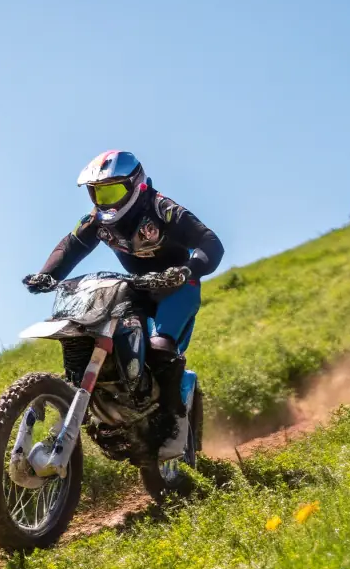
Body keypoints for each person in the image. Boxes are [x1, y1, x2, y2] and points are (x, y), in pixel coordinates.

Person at [22, 150, 224, 433]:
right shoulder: (97, 220)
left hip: (177, 287)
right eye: (98, 193)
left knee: (160, 348)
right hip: (137, 287)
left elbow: (210, 243)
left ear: (135, 184)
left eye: (112, 191)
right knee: (93, 334)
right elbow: (71, 246)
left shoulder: (161, 208)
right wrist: (47, 274)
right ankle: (93, 403)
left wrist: (187, 270)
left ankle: (173, 425)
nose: (105, 201)